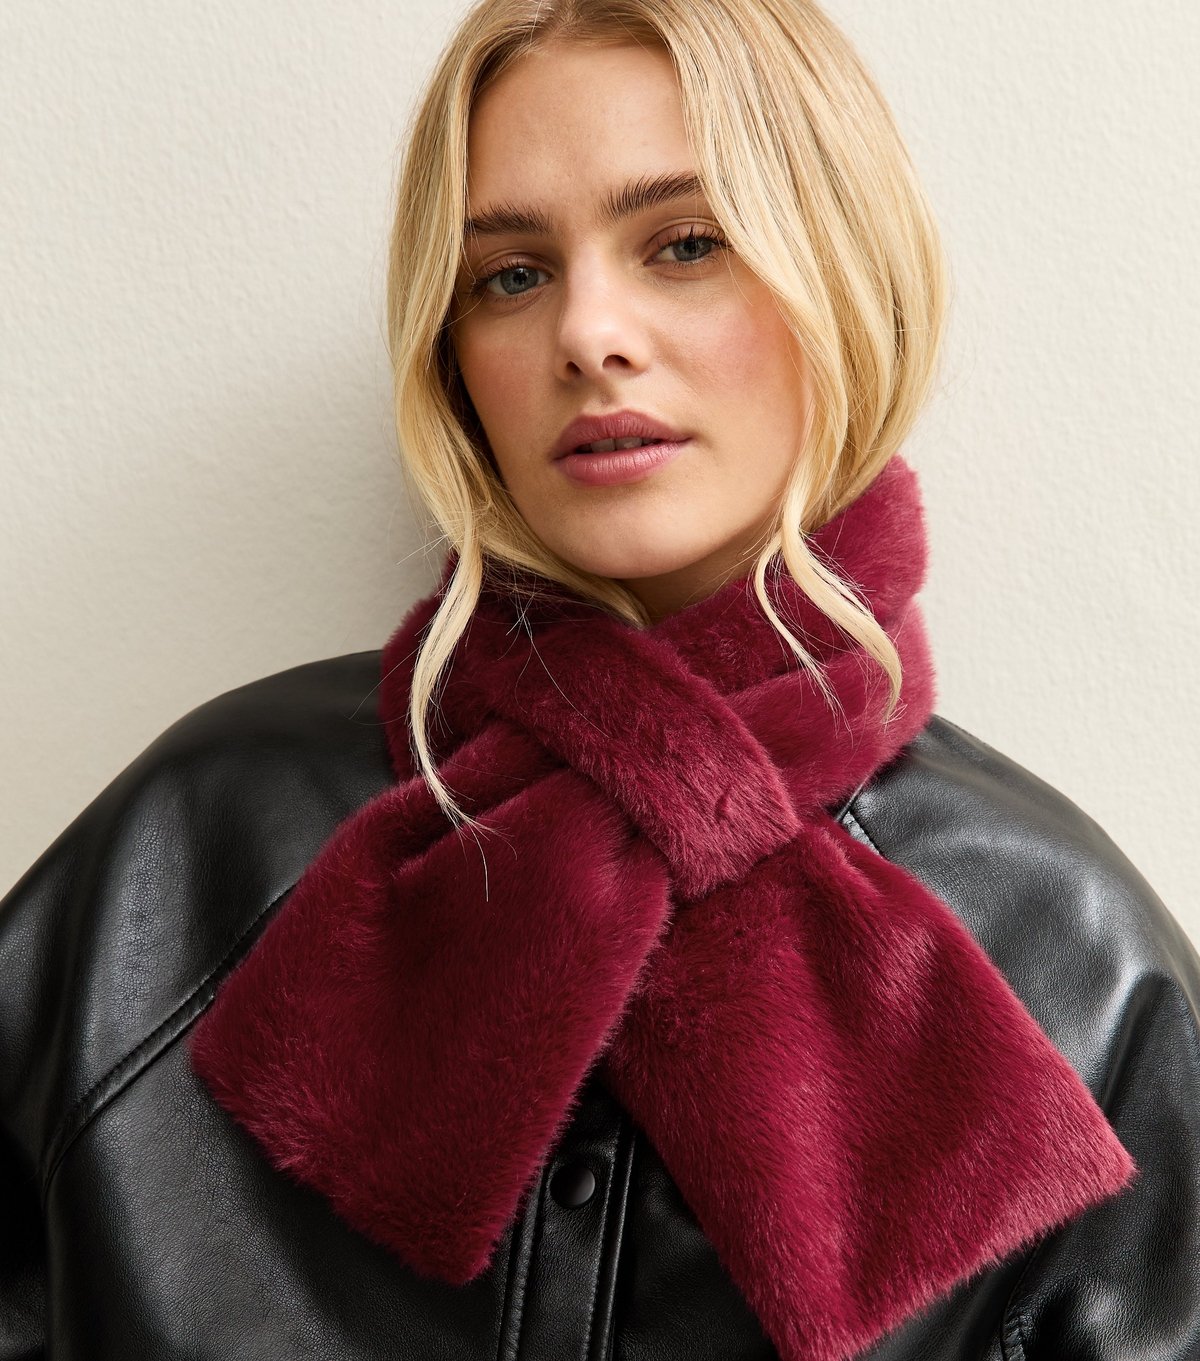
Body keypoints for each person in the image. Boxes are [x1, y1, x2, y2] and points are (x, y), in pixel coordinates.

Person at [1, 0, 1197, 1357]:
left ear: (847, 280)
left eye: (685, 244)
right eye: (511, 275)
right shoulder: (187, 852)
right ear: (455, 360)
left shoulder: (1076, 962)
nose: (588, 332)